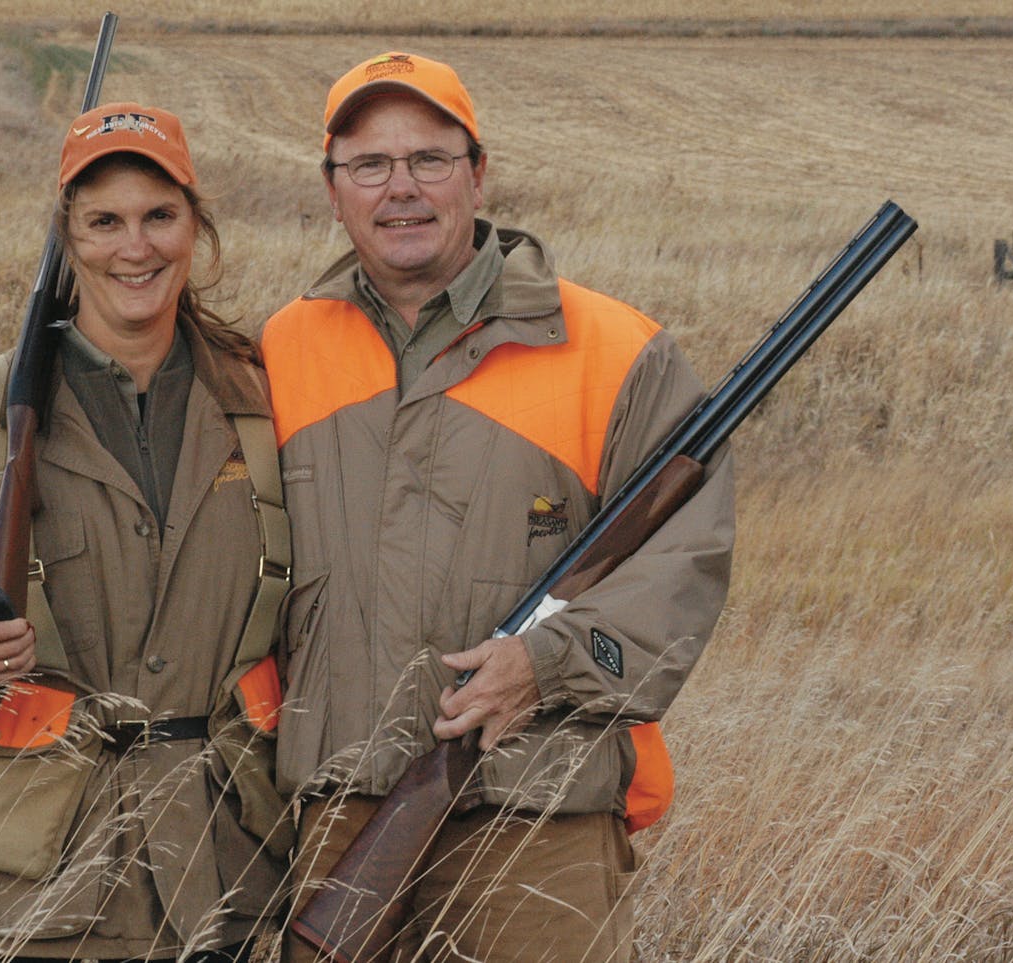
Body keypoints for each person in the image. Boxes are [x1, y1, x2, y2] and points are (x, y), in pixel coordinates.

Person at [261, 53, 736, 963]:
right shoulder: (281, 349)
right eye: (369, 165)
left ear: (478, 174)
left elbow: (684, 570)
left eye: (430, 159)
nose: (401, 188)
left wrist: (548, 666)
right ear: (332, 191)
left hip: (540, 822)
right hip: (333, 819)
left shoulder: (615, 349)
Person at [0, 103, 287, 962]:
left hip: (219, 885)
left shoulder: (265, 406)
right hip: (15, 899)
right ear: (68, 238)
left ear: (197, 225)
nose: (136, 247)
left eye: (160, 216)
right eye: (104, 221)